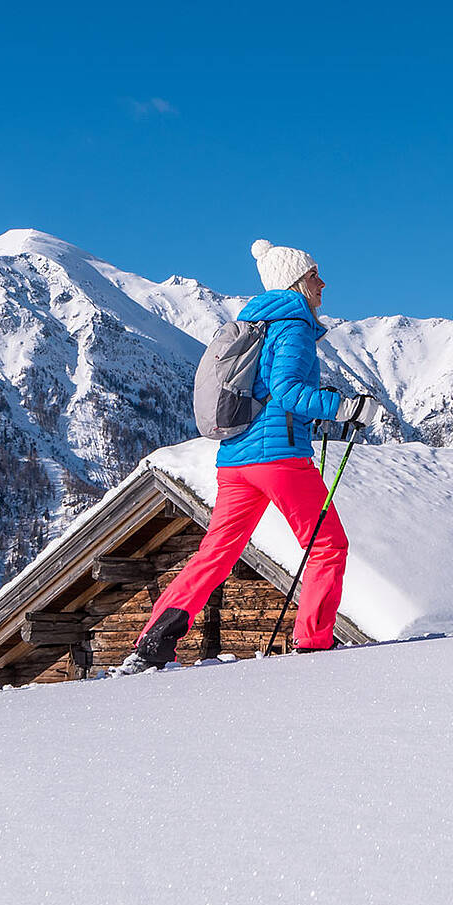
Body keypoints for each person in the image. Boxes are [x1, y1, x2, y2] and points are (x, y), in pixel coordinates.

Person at [114, 239, 380, 673]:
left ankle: (152, 643)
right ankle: (313, 643)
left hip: (235, 460)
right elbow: (288, 392)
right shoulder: (293, 325)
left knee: (215, 552)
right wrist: (345, 409)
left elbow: (268, 390)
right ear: (297, 281)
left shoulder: (255, 324)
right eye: (315, 275)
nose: (322, 283)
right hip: (279, 460)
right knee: (328, 544)